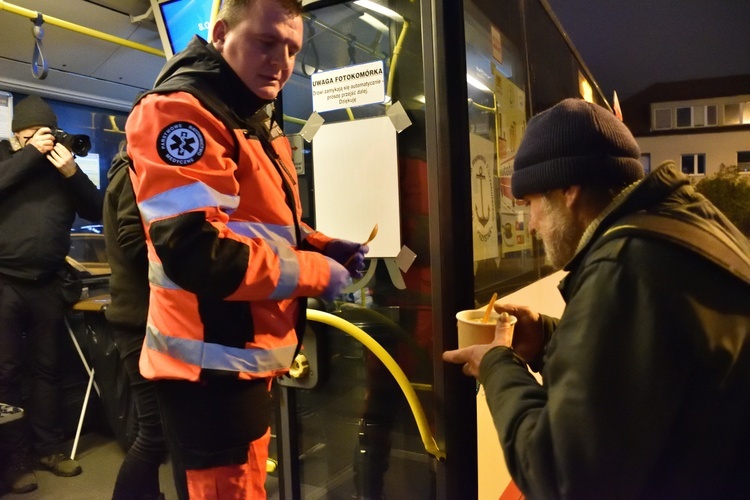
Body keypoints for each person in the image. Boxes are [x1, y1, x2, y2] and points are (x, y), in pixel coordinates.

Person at [443, 98, 750, 498]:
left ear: (569, 189)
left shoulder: (625, 267)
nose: (532, 224)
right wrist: (550, 337)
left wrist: (497, 366)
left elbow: (559, 475)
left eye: (533, 204)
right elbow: (656, 356)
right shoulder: (680, 225)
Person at [125, 0, 368, 497]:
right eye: (265, 41)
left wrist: (320, 244)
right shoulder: (181, 112)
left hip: (241, 362)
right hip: (207, 372)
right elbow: (197, 250)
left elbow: (262, 222)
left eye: (292, 48)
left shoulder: (250, 114)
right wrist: (316, 272)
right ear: (219, 34)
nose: (281, 60)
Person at [0, 95, 102, 493]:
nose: (45, 143)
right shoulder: (8, 158)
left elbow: (96, 210)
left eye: (48, 134)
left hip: (47, 283)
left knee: (48, 370)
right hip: (4, 281)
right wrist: (30, 154)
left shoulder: (59, 167)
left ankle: (48, 448)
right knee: (5, 375)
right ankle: (14, 461)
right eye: (34, 136)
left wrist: (72, 172)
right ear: (17, 138)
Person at [103, 149, 168, 500]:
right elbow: (132, 241)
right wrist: (184, 258)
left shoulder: (131, 170)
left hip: (143, 317)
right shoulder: (133, 172)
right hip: (138, 319)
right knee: (155, 434)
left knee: (154, 429)